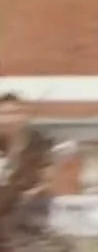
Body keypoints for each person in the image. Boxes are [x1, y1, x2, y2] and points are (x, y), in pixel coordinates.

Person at [0, 93, 74, 252]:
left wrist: (29, 193)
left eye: (15, 113)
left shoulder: (39, 143)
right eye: (4, 114)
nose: (9, 119)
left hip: (27, 206)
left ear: (25, 116)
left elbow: (48, 179)